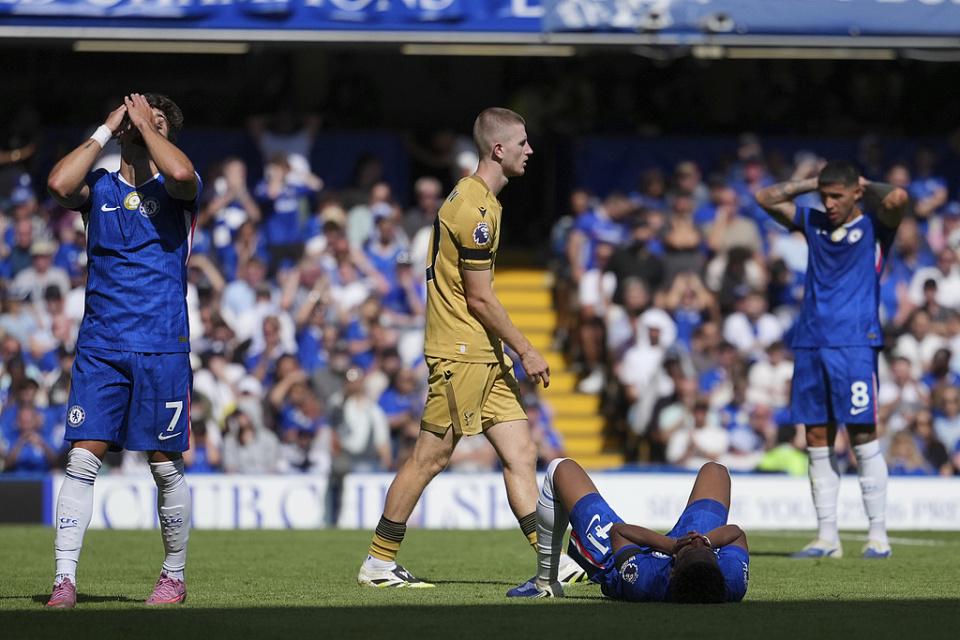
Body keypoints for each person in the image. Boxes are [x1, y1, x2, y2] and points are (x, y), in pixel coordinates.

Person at [357, 108, 584, 588]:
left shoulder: (478, 199)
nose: (530, 151)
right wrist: (526, 349)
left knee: (521, 453)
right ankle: (378, 560)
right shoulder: (474, 210)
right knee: (430, 458)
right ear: (499, 149)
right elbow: (479, 296)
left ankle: (553, 562)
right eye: (523, 143)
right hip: (461, 351)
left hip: (483, 352)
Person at [44, 93, 201, 608]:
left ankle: (172, 577)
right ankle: (64, 580)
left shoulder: (178, 189)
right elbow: (59, 184)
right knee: (81, 462)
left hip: (162, 344)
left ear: (164, 133)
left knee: (164, 465)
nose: (137, 123)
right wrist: (106, 128)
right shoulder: (102, 188)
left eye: (151, 121)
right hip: (101, 345)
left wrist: (147, 127)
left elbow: (180, 172)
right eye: (135, 116)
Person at [755, 160, 908, 559]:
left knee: (861, 435)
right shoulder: (814, 222)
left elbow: (898, 198)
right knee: (816, 438)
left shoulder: (876, 227)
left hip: (855, 344)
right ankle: (827, 538)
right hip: (811, 342)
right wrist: (813, 182)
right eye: (824, 196)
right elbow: (764, 197)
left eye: (837, 196)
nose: (829, 203)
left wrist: (862, 184)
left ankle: (878, 535)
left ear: (856, 193)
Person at [507, 459, 748, 603]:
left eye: (692, 546)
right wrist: (703, 540)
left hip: (620, 560)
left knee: (560, 468)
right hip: (684, 554)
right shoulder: (732, 581)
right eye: (707, 549)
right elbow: (737, 534)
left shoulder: (643, 580)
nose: (695, 541)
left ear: (672, 572)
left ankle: (545, 582)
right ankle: (697, 549)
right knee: (715, 471)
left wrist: (671, 546)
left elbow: (620, 533)